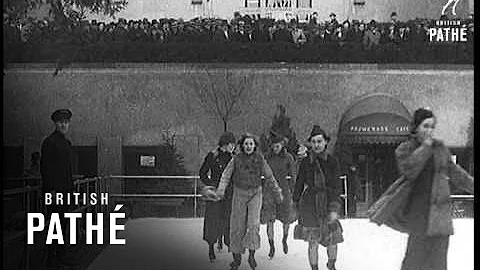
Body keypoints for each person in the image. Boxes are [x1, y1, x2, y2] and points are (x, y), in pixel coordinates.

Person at [368, 108, 474, 270]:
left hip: (440, 219)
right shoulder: (405, 149)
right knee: (413, 263)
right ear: (415, 128)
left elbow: (458, 175)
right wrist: (425, 147)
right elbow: (409, 170)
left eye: (432, 126)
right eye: (425, 126)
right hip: (419, 217)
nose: (429, 131)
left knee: (438, 265)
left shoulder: (440, 149)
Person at [215, 133, 283, 270]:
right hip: (239, 193)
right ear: (242, 145)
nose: (248, 146)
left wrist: (277, 192)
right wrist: (220, 191)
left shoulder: (260, 159)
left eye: (251, 144)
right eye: (246, 144)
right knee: (237, 226)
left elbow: (269, 176)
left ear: (255, 146)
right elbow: (225, 176)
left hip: (255, 194)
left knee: (253, 224)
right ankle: (236, 257)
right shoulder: (236, 159)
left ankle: (252, 254)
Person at [293, 125, 343, 270]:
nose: (316, 145)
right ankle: (314, 268)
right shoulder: (306, 162)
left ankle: (332, 265)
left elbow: (336, 186)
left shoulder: (333, 161)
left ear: (325, 142)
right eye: (313, 142)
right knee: (312, 241)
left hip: (328, 201)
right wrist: (295, 204)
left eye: (319, 141)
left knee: (333, 239)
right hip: (310, 205)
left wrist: (334, 207)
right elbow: (299, 184)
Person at [40, 109, 76, 269]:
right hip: (55, 192)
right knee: (55, 224)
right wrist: (52, 190)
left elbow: (67, 170)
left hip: (65, 190)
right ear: (55, 123)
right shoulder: (49, 142)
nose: (63, 124)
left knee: (62, 223)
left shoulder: (66, 143)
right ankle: (51, 259)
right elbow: (46, 169)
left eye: (66, 122)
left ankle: (60, 257)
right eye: (61, 121)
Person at [198, 132, 236, 262]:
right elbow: (202, 173)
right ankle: (211, 247)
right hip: (215, 194)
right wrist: (211, 184)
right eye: (231, 144)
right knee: (213, 220)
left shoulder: (234, 158)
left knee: (229, 219)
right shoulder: (212, 156)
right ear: (225, 144)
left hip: (230, 193)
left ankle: (229, 244)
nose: (233, 146)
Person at [261, 132, 297, 258]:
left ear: (282, 145)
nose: (276, 148)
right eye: (273, 146)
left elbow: (293, 176)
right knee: (270, 219)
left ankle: (284, 239)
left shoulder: (288, 158)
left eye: (278, 146)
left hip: (283, 190)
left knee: (286, 218)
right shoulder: (266, 157)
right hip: (269, 191)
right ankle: (271, 246)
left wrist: (294, 193)